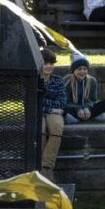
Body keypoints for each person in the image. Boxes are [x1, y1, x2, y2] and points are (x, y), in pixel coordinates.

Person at [62, 54, 105, 124]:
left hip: (87, 108)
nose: (82, 72)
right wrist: (78, 109)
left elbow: (93, 100)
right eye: (79, 69)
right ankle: (93, 116)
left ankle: (77, 117)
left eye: (85, 69)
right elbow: (64, 102)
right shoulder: (67, 81)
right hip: (72, 108)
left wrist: (87, 108)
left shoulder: (92, 81)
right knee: (62, 109)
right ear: (73, 70)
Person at [39, 48, 65, 181]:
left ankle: (46, 167)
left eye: (51, 63)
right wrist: (50, 108)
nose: (49, 66)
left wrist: (45, 105)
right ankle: (38, 165)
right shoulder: (34, 79)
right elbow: (33, 102)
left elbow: (61, 102)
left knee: (57, 127)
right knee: (41, 129)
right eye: (45, 63)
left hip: (52, 112)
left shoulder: (58, 80)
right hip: (38, 112)